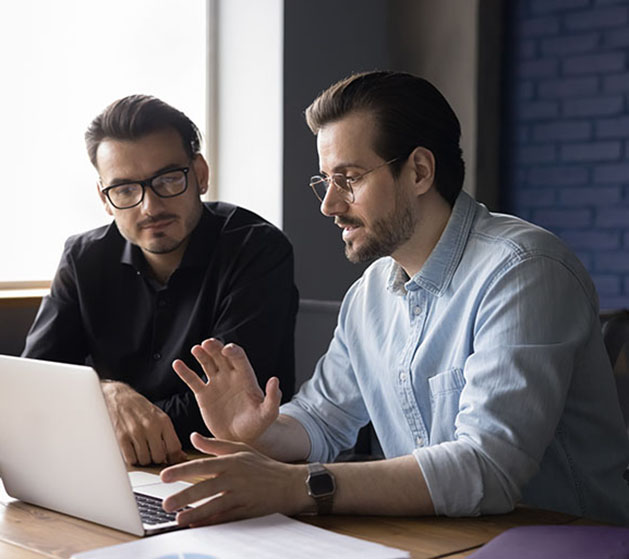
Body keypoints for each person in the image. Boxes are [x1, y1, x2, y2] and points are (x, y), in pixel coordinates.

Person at [160, 71, 629, 526]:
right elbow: (323, 420)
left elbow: (488, 468)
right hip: (436, 538)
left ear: (420, 171)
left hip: (564, 539)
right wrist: (260, 432)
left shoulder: (524, 270)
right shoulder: (370, 294)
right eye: (325, 181)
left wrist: (296, 485)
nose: (329, 205)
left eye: (349, 178)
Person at [22, 95, 298, 467]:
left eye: (168, 179)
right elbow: (36, 382)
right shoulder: (82, 257)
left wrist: (110, 421)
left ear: (200, 174)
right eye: (124, 190)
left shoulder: (256, 249)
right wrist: (106, 395)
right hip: (117, 469)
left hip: (235, 467)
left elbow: (236, 404)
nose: (149, 206)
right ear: (105, 199)